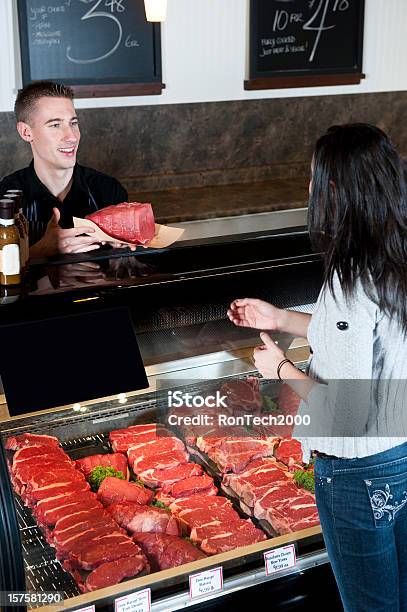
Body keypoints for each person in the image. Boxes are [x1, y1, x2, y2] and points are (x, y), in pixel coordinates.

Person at [228, 124, 407, 611]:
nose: (308, 190)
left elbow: (345, 412)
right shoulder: (393, 255)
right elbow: (369, 340)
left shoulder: (352, 274)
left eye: (313, 179)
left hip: (358, 469)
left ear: (334, 190)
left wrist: (279, 367)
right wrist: (281, 318)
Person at [0, 80, 130, 257]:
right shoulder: (4, 197)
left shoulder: (109, 190)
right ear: (26, 132)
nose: (71, 137)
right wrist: (40, 252)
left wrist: (124, 256)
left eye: (73, 123)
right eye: (55, 125)